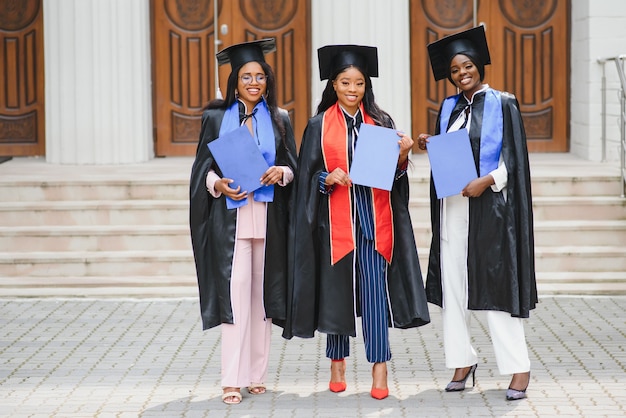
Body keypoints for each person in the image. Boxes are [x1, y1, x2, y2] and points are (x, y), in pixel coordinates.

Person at [283, 44, 430, 400]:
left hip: (374, 225)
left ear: (367, 86)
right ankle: (337, 363)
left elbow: (395, 180)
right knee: (337, 296)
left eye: (359, 83)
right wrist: (326, 178)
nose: (352, 89)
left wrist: (403, 155)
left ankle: (380, 369)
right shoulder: (318, 126)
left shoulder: (381, 123)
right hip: (335, 227)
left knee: (375, 296)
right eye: (345, 82)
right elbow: (307, 178)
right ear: (333, 84)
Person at [417, 26, 537, 401]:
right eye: (455, 70)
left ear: (479, 65)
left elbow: (514, 161)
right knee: (454, 289)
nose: (462, 73)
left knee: (494, 287)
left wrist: (486, 181)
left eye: (467, 65)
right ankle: (462, 361)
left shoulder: (504, 103)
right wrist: (429, 142)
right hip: (452, 208)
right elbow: (451, 152)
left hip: (489, 210)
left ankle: (519, 368)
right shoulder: (449, 107)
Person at [189, 38, 297, 405]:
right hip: (231, 219)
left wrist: (280, 172)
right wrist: (217, 184)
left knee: (262, 300)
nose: (254, 82)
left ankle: (257, 375)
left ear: (268, 81)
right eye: (247, 76)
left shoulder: (280, 120)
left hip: (269, 218)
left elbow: (293, 166)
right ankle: (231, 380)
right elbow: (202, 169)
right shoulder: (216, 118)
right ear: (235, 80)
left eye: (260, 76)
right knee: (235, 299)